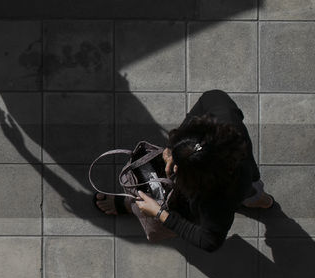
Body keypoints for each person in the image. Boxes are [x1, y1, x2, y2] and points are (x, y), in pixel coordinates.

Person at [94, 89, 273, 251]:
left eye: (179, 168)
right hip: (245, 174)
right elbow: (210, 97)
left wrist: (160, 214)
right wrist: (173, 147)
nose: (173, 168)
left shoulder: (216, 202)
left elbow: (209, 241)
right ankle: (257, 199)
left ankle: (134, 205)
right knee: (253, 190)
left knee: (177, 206)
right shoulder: (224, 117)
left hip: (231, 189)